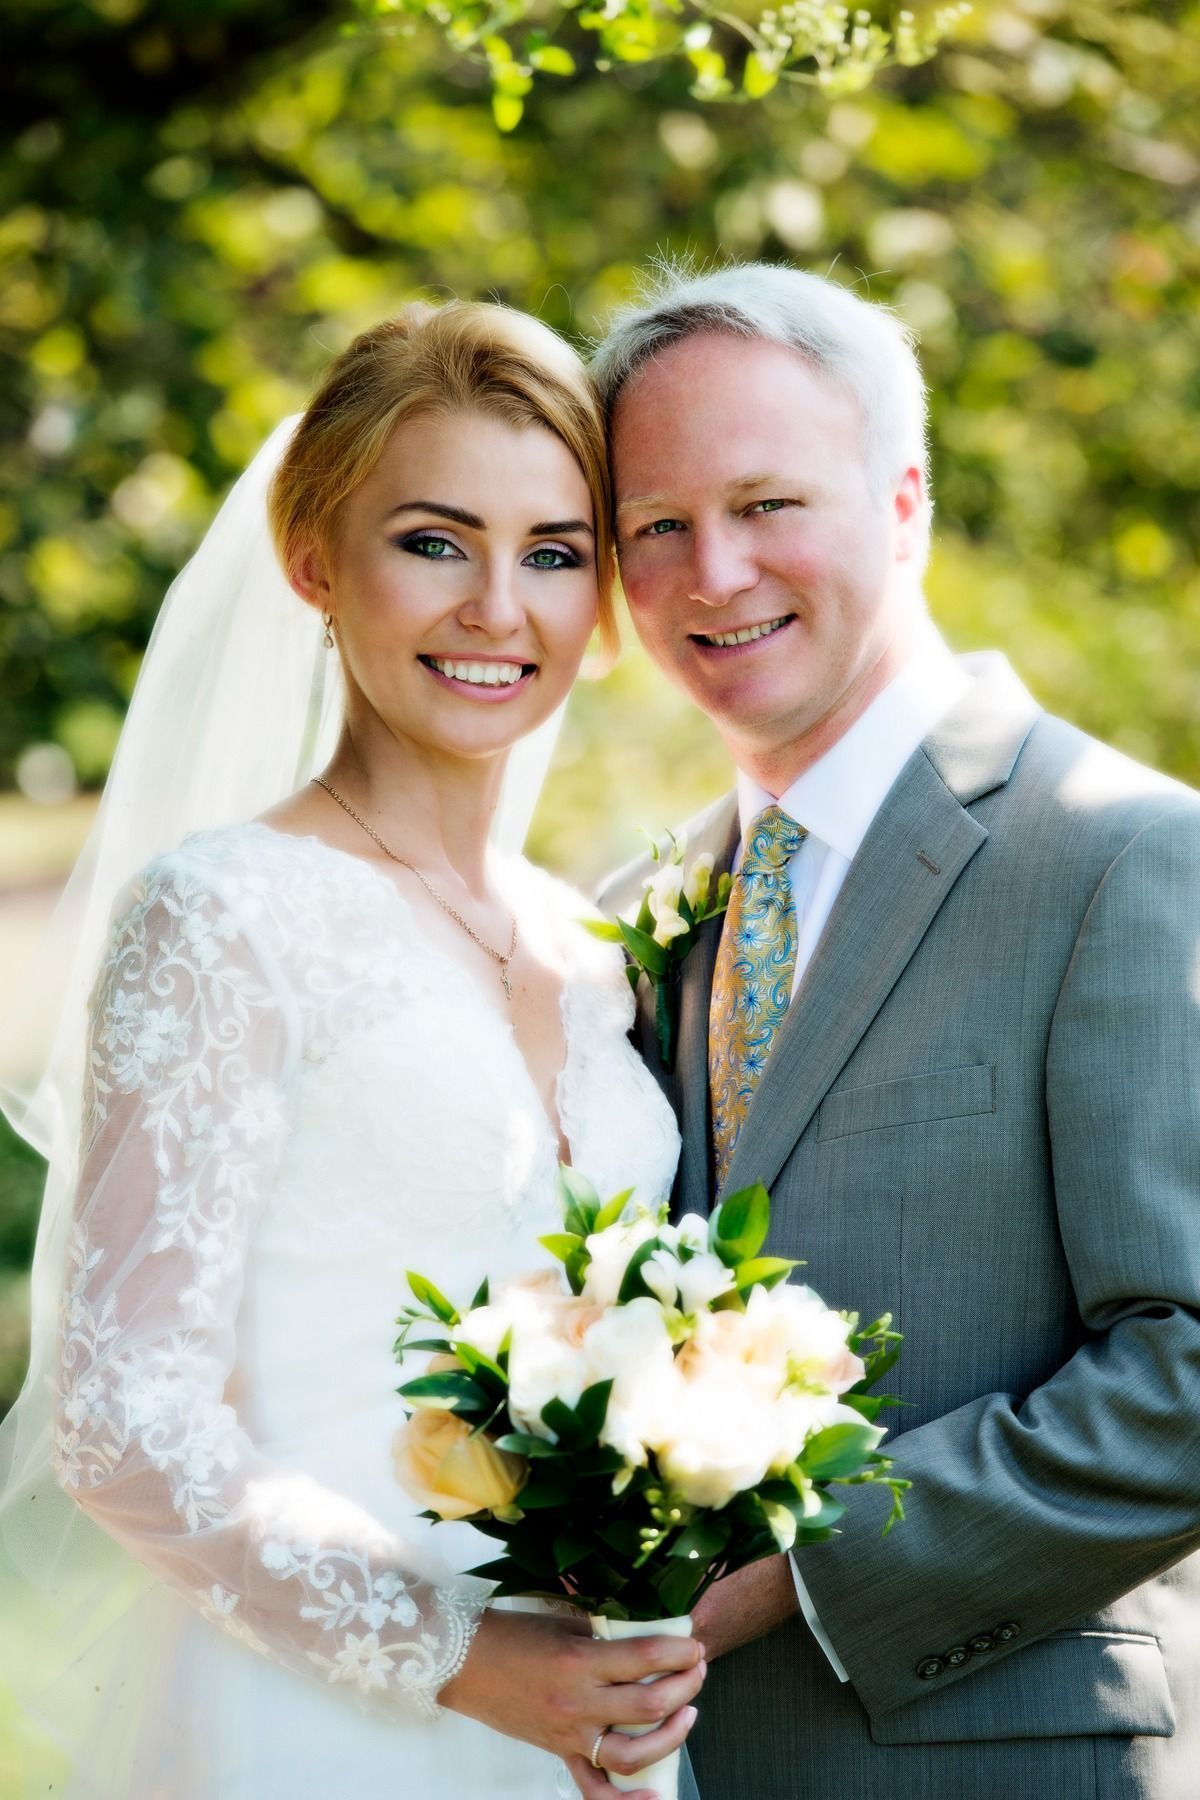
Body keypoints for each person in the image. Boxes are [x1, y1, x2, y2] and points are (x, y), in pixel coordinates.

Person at [0, 301, 705, 1798]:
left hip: (590, 1726)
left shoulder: (592, 950)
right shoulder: (225, 915)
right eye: (435, 542)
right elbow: (127, 1423)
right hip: (320, 1722)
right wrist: (458, 1658)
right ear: (315, 561)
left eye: (556, 553)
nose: (499, 609)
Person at [593, 261, 1200, 1799]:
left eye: (768, 505)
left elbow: (1188, 1365)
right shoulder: (640, 908)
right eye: (655, 526)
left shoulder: (1121, 851)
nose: (713, 573)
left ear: (906, 497)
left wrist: (806, 1566)